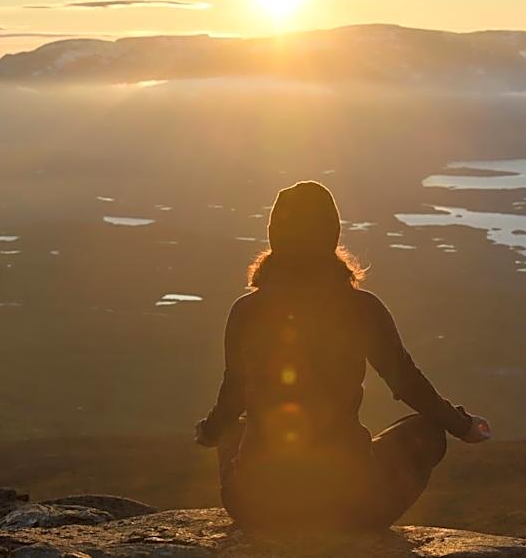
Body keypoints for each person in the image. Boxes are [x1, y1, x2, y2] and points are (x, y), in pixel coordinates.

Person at [195, 181, 490, 530]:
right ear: (332, 235)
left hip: (254, 505)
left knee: (235, 427)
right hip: (349, 504)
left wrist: (209, 432)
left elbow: (233, 396)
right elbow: (407, 382)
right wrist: (461, 425)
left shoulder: (246, 310)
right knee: (427, 433)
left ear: (274, 235)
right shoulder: (362, 308)